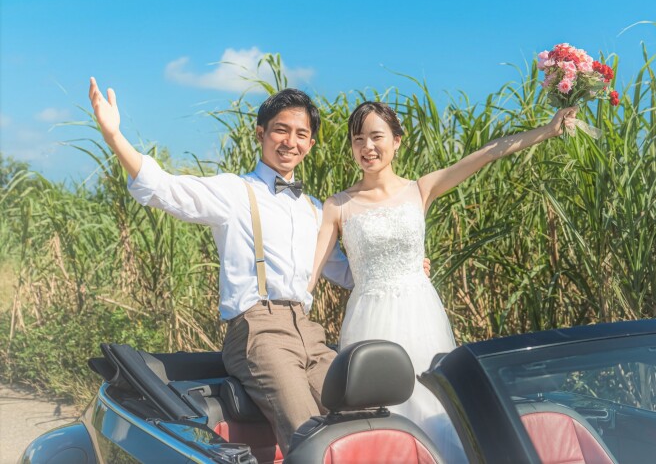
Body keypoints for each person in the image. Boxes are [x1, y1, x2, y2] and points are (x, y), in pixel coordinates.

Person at [88, 78, 355, 453]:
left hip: (310, 333)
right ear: (260, 133)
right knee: (306, 432)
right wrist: (114, 136)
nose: (290, 142)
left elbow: (344, 272)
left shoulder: (314, 209)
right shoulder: (234, 192)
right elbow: (164, 189)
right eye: (280, 130)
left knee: (354, 418)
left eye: (300, 134)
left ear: (310, 144)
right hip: (258, 331)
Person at [307, 100, 578, 461]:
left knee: (433, 408)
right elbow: (311, 271)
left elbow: (485, 155)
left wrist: (547, 130)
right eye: (358, 139)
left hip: (421, 314)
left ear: (397, 140)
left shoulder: (419, 189)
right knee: (377, 417)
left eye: (376, 136)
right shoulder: (338, 204)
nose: (367, 147)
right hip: (368, 319)